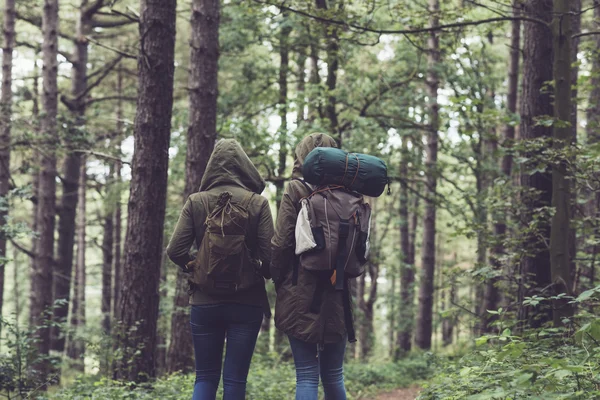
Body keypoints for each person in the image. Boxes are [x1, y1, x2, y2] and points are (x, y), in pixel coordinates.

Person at [167, 139, 273, 400]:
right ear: (243, 167)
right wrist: (263, 270)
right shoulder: (257, 203)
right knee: (235, 380)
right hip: (246, 302)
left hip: (204, 301)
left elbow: (174, 250)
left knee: (205, 377)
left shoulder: (196, 201)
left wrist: (194, 265)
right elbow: (271, 254)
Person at [271, 133, 349, 400]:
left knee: (306, 374)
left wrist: (277, 277)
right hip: (338, 291)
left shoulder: (296, 189)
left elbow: (281, 241)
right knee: (334, 374)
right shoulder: (348, 192)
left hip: (299, 290)